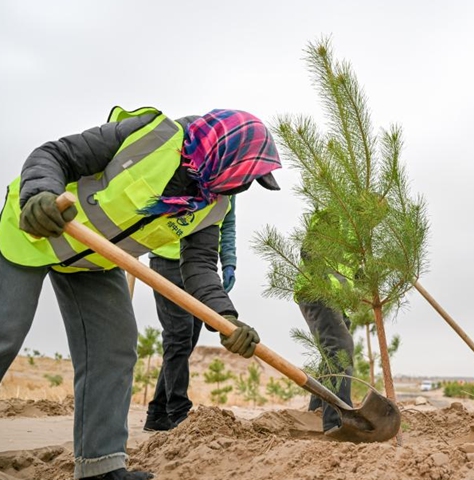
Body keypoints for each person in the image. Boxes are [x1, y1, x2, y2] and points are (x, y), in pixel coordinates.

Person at [0, 106, 281, 480]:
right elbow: (55, 154)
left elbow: (198, 267)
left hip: (95, 260)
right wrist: (39, 193)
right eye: (243, 177)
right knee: (5, 332)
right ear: (225, 152)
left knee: (114, 349)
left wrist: (226, 319)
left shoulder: (213, 204)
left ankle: (100, 467)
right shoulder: (151, 135)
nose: (240, 188)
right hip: (36, 228)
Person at [143, 195, 240, 432]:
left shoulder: (231, 185)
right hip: (167, 261)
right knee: (179, 335)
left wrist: (229, 262)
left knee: (188, 339)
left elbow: (227, 222)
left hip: (201, 268)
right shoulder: (190, 167)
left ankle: (157, 413)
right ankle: (178, 411)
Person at [294, 208, 355, 434]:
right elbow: (309, 250)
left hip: (337, 298)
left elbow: (351, 269)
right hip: (319, 292)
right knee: (340, 351)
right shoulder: (336, 213)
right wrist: (326, 285)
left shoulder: (358, 231)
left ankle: (317, 411)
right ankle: (337, 422)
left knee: (331, 355)